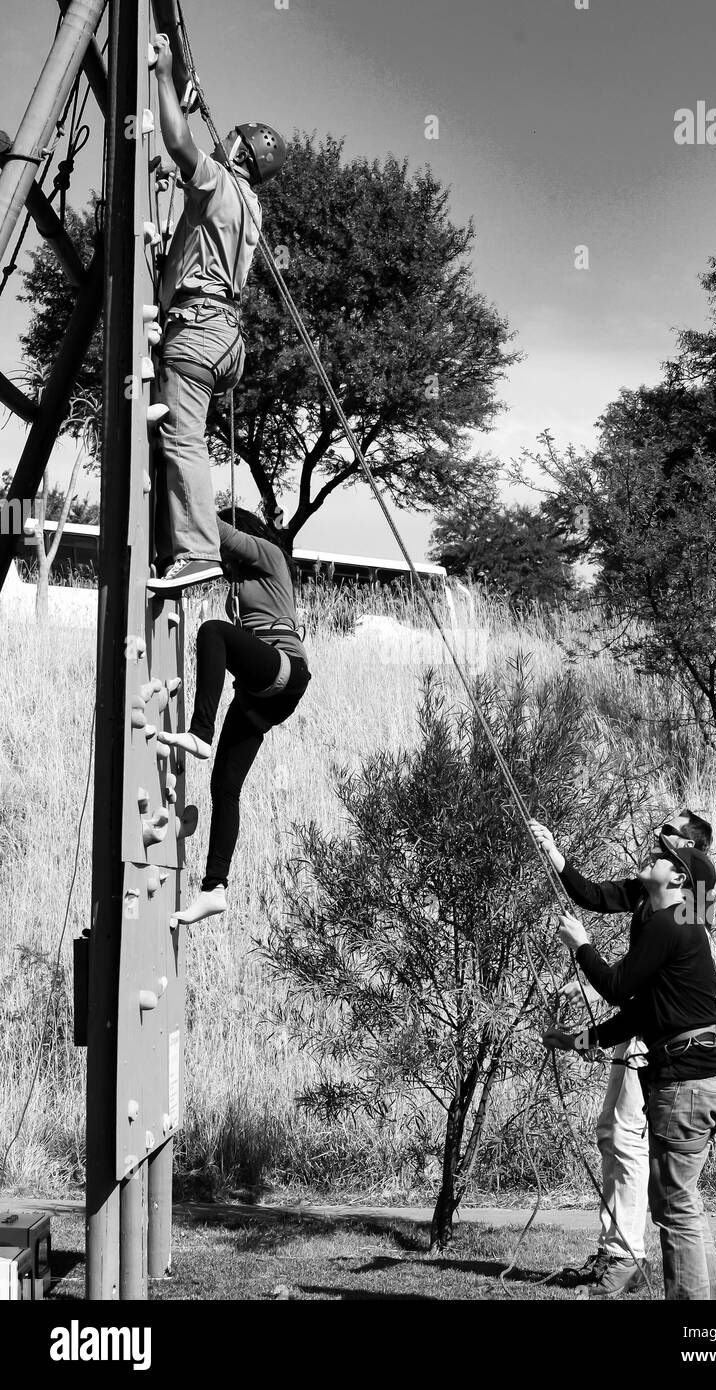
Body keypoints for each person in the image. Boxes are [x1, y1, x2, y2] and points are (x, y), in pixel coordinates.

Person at [529, 809, 716, 1297]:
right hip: (669, 1049)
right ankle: (627, 1257)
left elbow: (627, 988)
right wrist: (556, 857)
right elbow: (593, 897)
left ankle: (625, 1257)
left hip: (681, 1063)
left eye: (668, 837)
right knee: (673, 1195)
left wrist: (584, 950)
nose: (656, 837)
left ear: (685, 863)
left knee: (660, 1186)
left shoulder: (681, 914)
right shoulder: (659, 900)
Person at [146, 32, 288, 595]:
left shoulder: (219, 181)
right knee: (177, 439)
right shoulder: (247, 204)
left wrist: (162, 75)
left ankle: (198, 553)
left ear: (238, 153)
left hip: (197, 329)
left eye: (228, 139)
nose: (221, 140)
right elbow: (199, 232)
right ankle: (181, 540)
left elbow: (181, 144)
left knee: (183, 440)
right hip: (222, 337)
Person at [163, 509, 311, 925]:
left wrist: (185, 503)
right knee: (224, 787)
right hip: (260, 698)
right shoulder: (240, 581)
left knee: (213, 632)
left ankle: (200, 731)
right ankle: (215, 888)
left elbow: (221, 534)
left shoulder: (268, 556)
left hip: (284, 669)